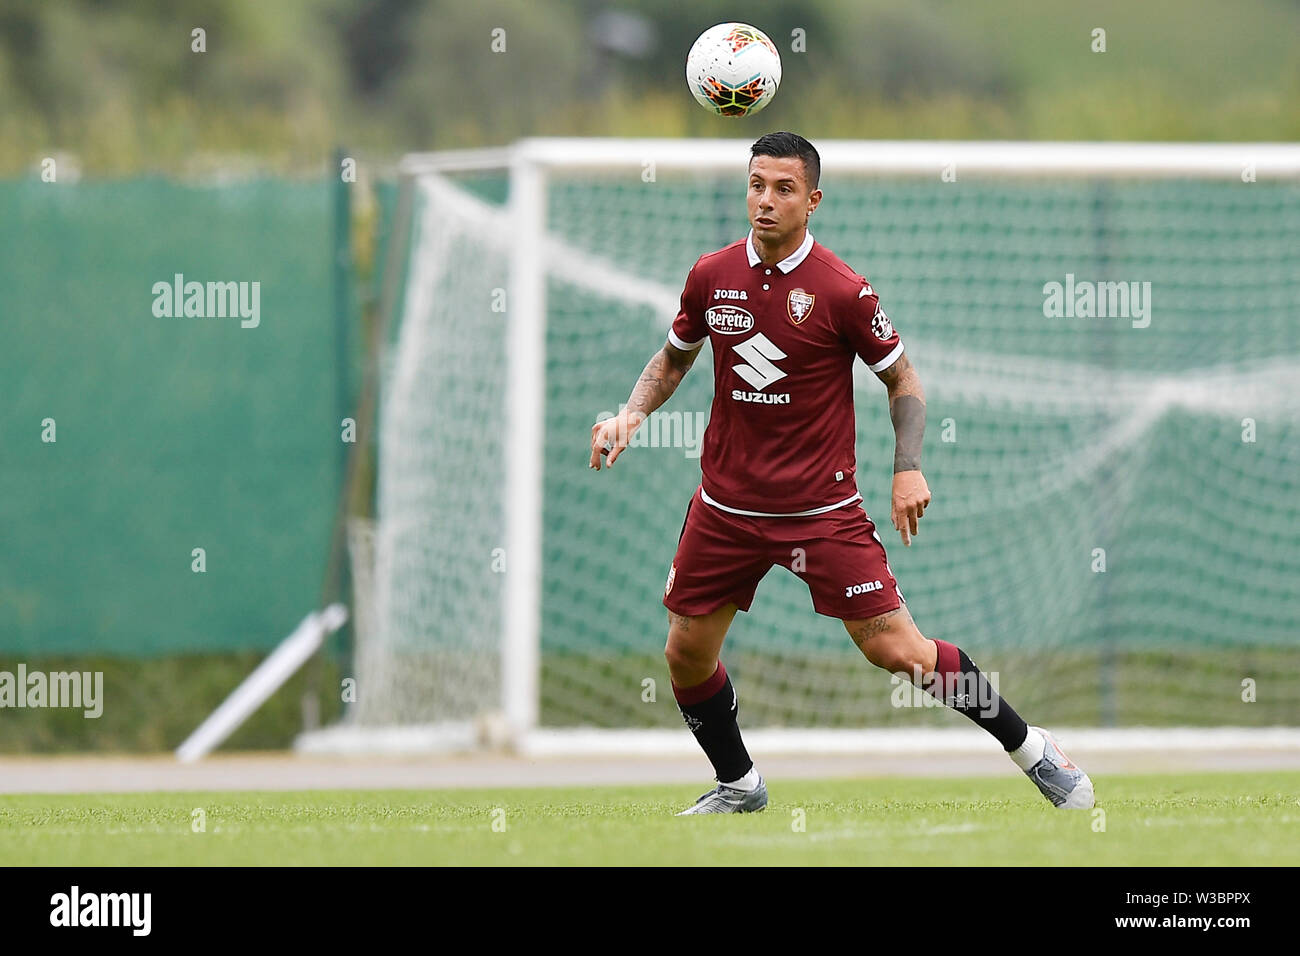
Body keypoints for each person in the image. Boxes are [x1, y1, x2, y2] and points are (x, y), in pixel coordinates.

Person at [589, 131, 1093, 814]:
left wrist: (907, 469)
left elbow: (903, 379)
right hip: (726, 508)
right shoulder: (711, 275)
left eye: (784, 188)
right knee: (686, 652)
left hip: (821, 513)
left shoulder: (843, 291)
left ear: (813, 200)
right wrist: (631, 413)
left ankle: (1032, 749)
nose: (765, 201)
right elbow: (675, 356)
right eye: (757, 184)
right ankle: (739, 785)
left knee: (900, 652)